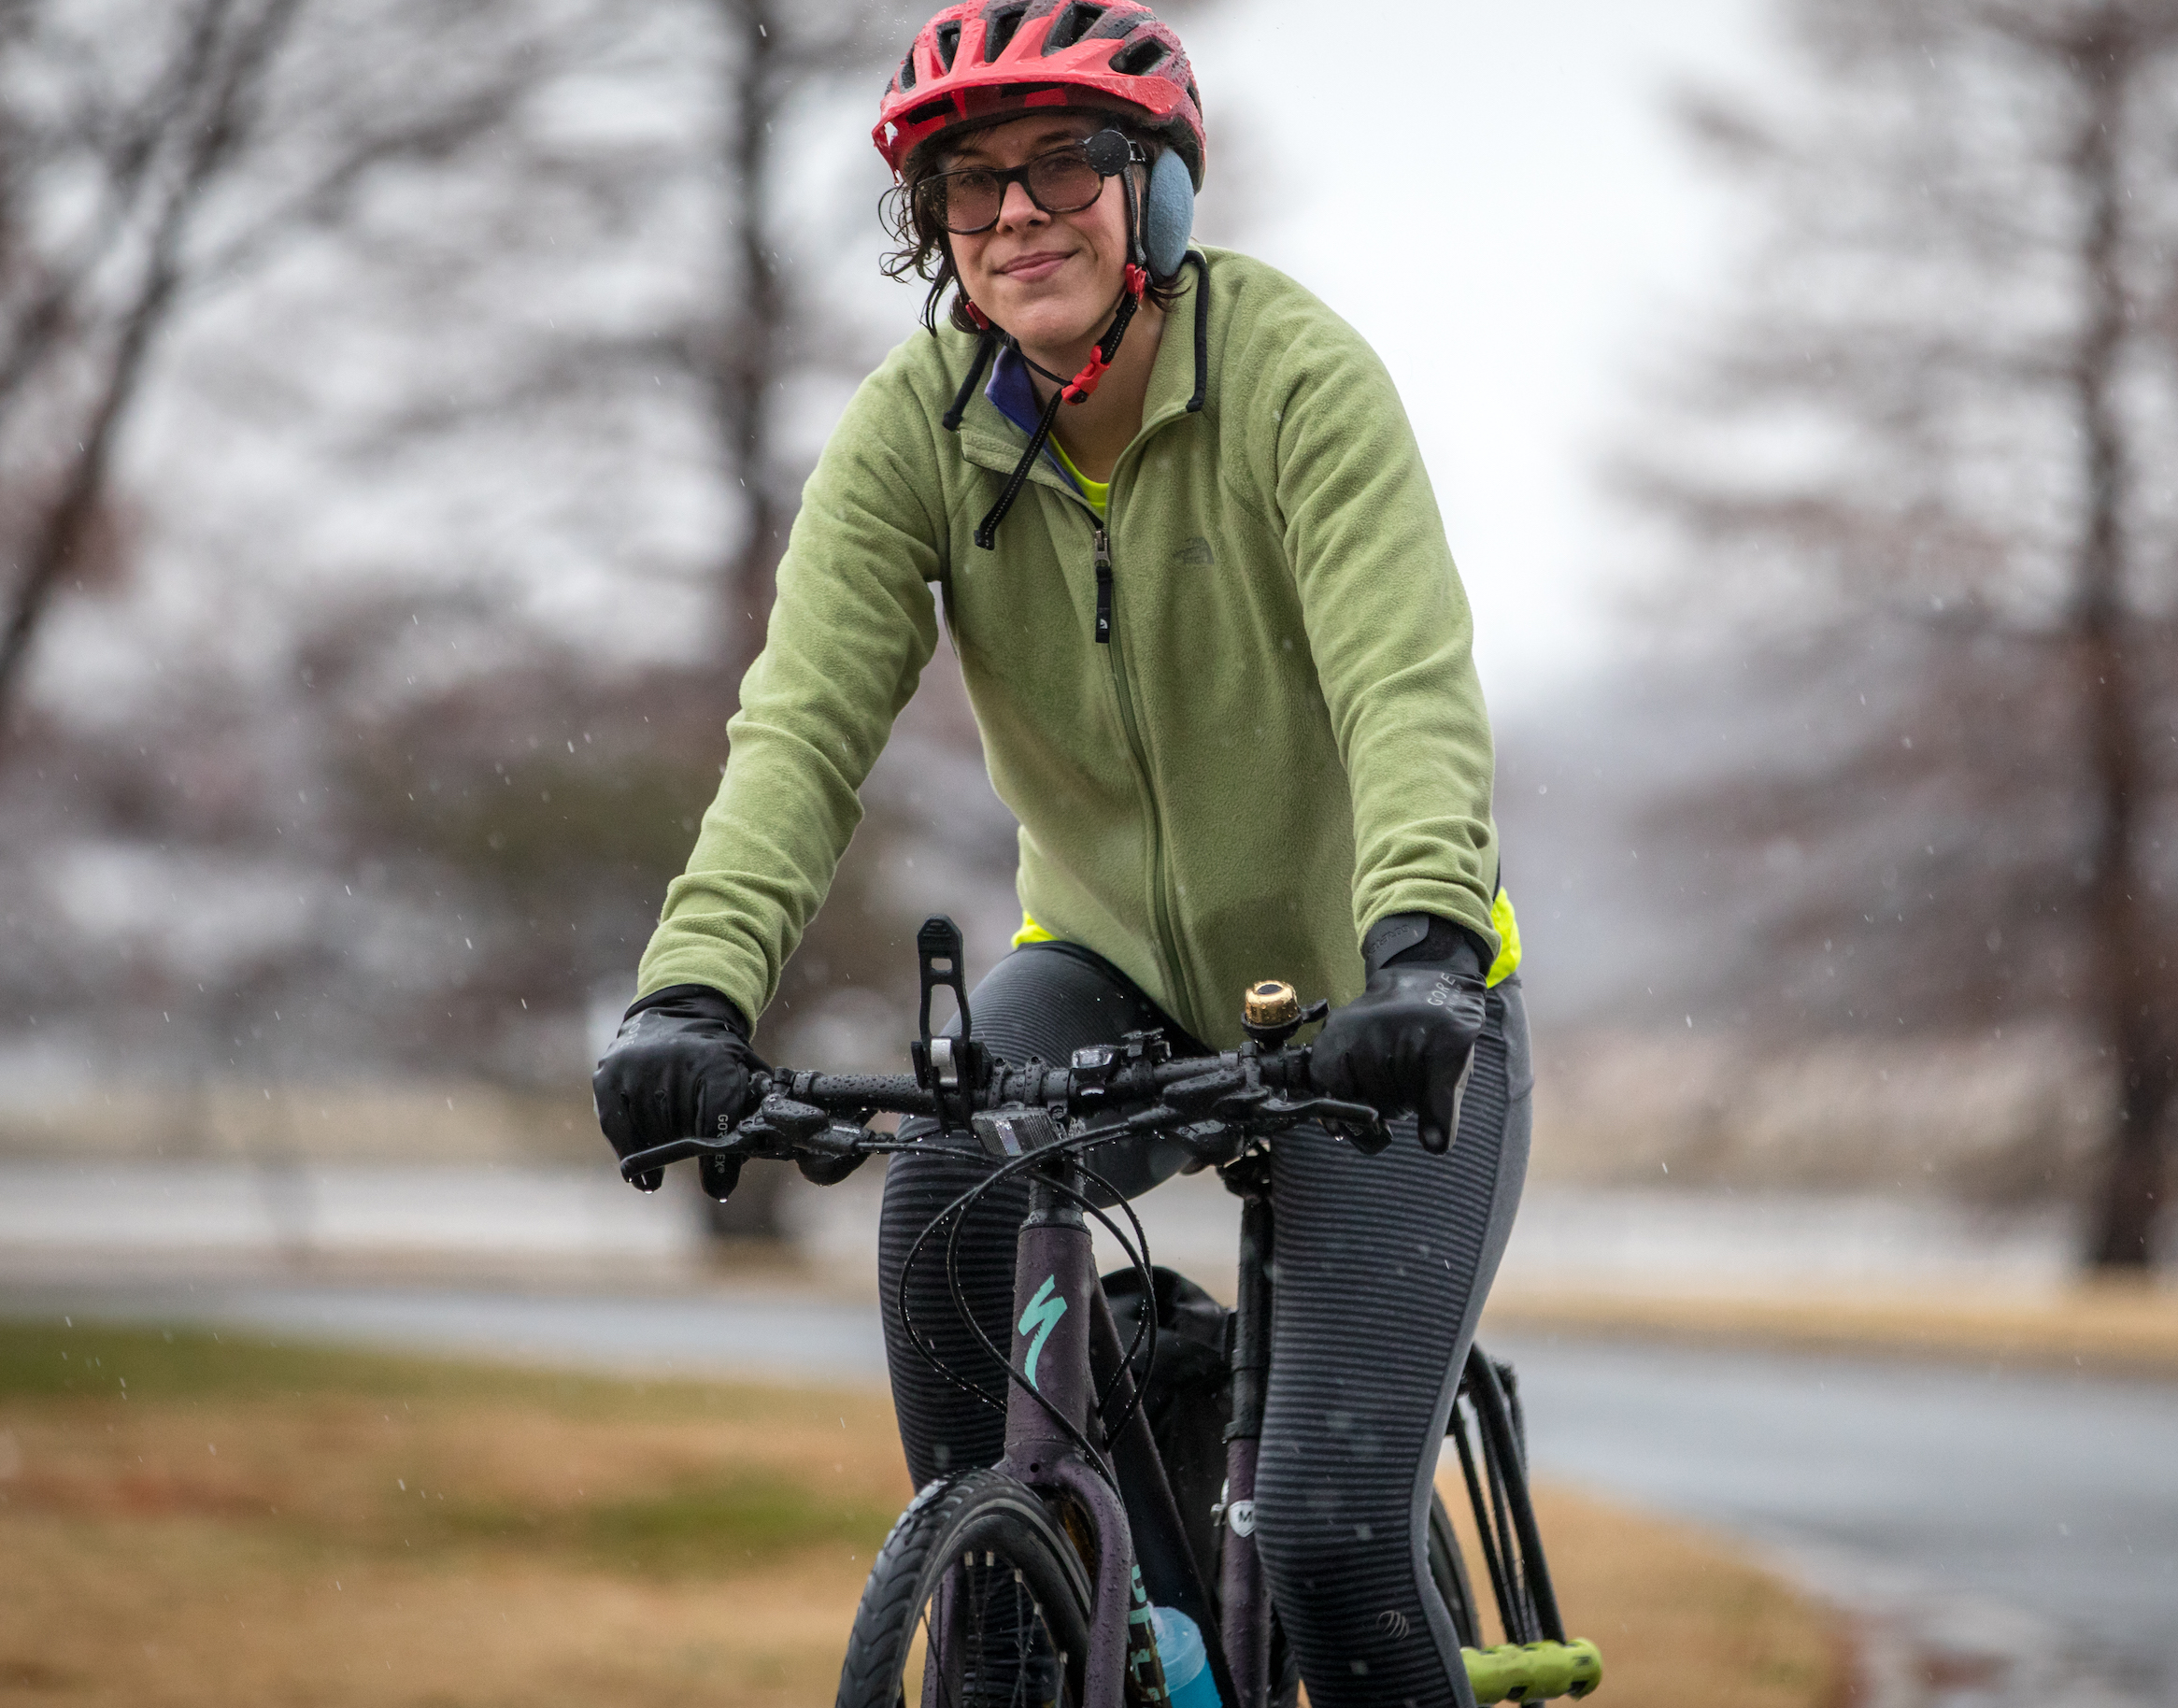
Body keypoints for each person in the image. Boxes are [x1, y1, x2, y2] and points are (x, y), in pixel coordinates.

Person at [590, 5, 1527, 1701]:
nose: (1017, 212)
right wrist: (691, 996)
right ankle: (1074, 1626)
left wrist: (1425, 952)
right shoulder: (917, 429)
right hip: (1106, 968)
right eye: (971, 184)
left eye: (1066, 163)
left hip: (1380, 995)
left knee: (1328, 1535)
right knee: (946, 1198)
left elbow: (1404, 685)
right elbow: (801, 730)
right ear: (935, 228)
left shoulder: (1293, 376)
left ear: (1155, 189)